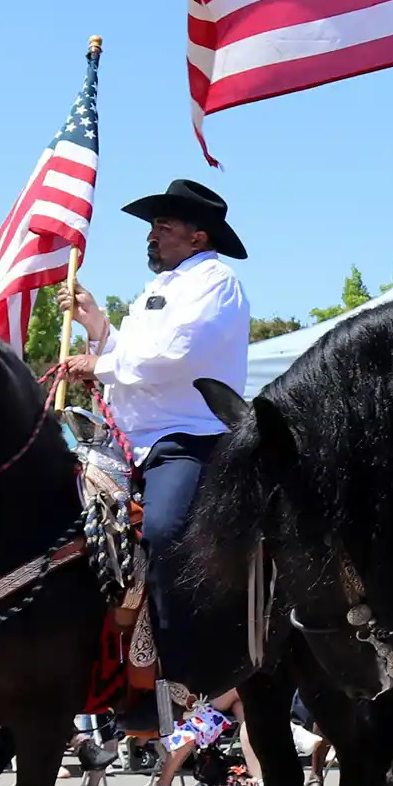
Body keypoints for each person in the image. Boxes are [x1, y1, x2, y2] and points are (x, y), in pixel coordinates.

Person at [61, 178, 251, 707]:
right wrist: (97, 326)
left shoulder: (216, 281)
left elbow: (178, 354)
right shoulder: (154, 292)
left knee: (166, 533)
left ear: (198, 238)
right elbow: (135, 356)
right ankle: (100, 656)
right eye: (151, 226)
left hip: (189, 439)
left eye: (164, 226)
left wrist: (101, 363)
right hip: (130, 443)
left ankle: (185, 667)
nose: (152, 235)